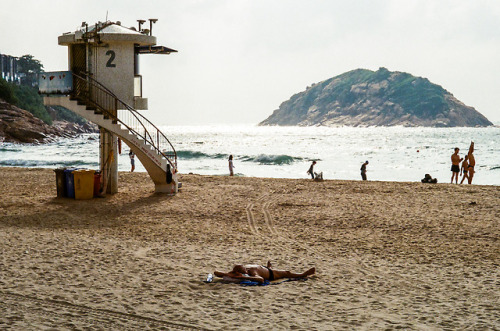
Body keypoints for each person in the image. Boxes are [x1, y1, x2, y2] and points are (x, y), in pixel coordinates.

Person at [214, 261, 315, 284]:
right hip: (271, 274)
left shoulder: (247, 270)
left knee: (283, 271)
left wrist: (227, 274)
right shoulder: (251, 273)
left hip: (263, 268)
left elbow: (216, 272)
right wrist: (229, 274)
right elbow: (261, 280)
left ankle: (268, 267)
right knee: (286, 272)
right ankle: (303, 274)